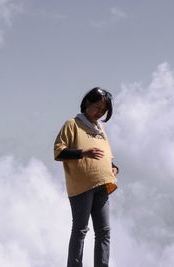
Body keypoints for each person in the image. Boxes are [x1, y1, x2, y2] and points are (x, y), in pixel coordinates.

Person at [54, 87, 119, 267]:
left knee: (104, 231)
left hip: (102, 184)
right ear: (87, 103)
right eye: (98, 107)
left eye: (104, 110)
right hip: (81, 186)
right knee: (80, 230)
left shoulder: (100, 129)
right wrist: (83, 153)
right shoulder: (72, 124)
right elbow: (59, 152)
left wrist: (114, 169)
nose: (100, 112)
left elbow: (108, 157)